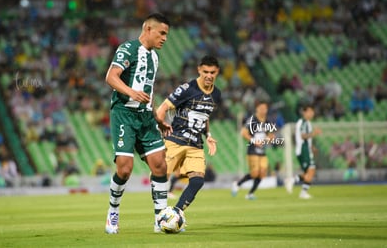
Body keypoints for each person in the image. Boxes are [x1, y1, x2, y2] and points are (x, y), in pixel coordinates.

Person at [104, 13, 171, 234]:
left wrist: (157, 117)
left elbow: (148, 92)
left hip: (145, 117)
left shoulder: (155, 57)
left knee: (160, 164)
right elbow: (111, 77)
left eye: (166, 35)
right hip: (124, 113)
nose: (164, 39)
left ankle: (160, 219)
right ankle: (113, 211)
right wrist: (131, 92)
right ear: (148, 29)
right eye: (161, 33)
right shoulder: (128, 48)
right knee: (124, 169)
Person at [155, 55, 221, 218]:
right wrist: (160, 125)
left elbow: (204, 116)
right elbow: (162, 108)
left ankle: (175, 215)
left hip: (195, 144)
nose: (209, 75)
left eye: (212, 72)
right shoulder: (187, 89)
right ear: (199, 70)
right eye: (205, 71)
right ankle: (159, 217)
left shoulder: (217, 94)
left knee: (198, 181)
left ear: (217, 72)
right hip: (175, 139)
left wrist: (208, 135)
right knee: (161, 178)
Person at [231, 100, 276, 200]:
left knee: (262, 173)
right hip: (252, 150)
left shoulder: (268, 121)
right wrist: (254, 141)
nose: (264, 110)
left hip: (262, 151)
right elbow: (243, 132)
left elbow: (271, 134)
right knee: (255, 173)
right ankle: (237, 184)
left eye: (265, 108)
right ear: (257, 109)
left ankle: (250, 194)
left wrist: (270, 138)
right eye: (261, 108)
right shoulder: (252, 120)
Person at [285, 104, 322, 199]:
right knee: (311, 171)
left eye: (312, 111)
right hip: (303, 150)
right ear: (304, 112)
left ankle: (293, 181)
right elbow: (303, 136)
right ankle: (301, 190)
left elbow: (304, 138)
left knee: (309, 173)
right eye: (310, 111)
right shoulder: (303, 122)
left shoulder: (306, 123)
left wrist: (312, 147)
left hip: (305, 149)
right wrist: (314, 133)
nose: (312, 113)